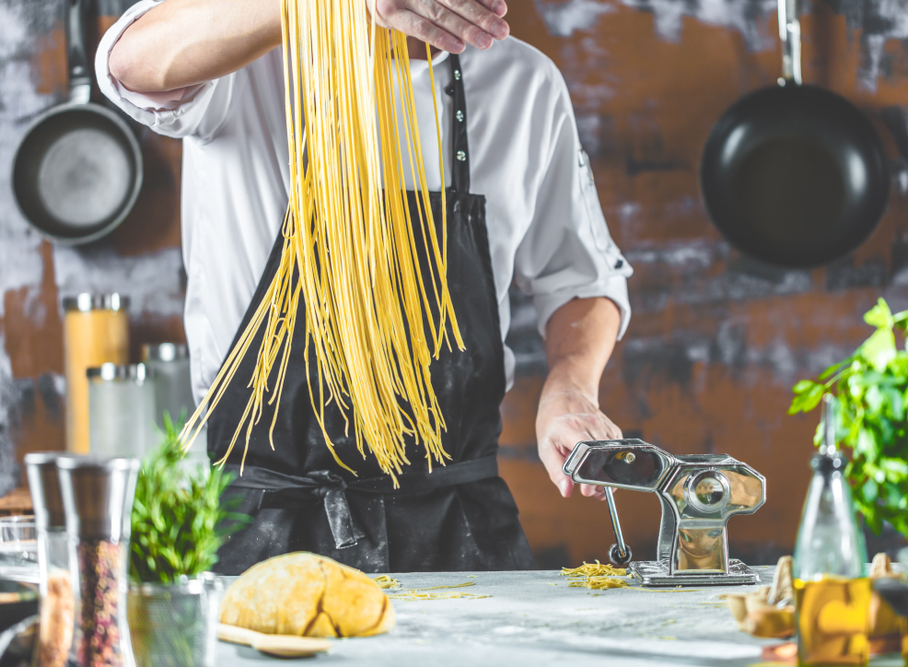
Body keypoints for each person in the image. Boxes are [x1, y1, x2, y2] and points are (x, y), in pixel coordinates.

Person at [97, 0, 633, 574]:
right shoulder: (245, 60)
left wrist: (571, 387)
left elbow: (580, 277)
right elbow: (130, 60)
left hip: (456, 525)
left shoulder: (522, 84)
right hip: (261, 528)